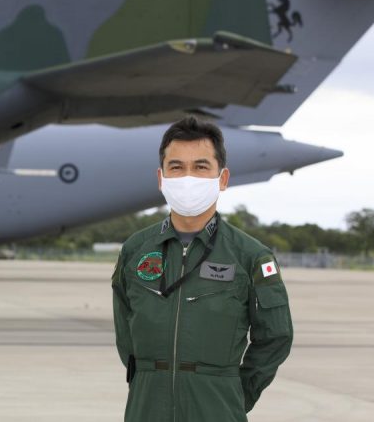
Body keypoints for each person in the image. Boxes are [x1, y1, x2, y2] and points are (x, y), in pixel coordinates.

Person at [111, 116, 293, 421]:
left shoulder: (250, 256)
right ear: (161, 177)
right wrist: (149, 378)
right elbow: (125, 334)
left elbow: (275, 337)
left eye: (200, 166)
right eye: (177, 167)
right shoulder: (135, 250)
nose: (187, 177)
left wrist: (234, 392)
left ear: (222, 178)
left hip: (217, 408)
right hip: (146, 407)